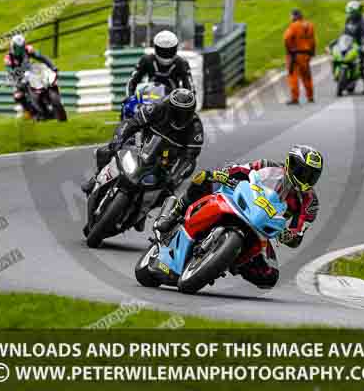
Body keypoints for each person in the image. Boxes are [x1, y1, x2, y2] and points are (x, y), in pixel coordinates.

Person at [154, 144, 323, 289]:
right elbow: (239, 169)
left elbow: (298, 233)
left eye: (311, 175)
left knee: (269, 277)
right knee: (202, 178)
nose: (305, 178)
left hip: (261, 228)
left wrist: (289, 236)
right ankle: (174, 212)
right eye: (302, 171)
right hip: (239, 201)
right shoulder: (266, 166)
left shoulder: (309, 202)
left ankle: (228, 259)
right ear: (291, 163)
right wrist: (221, 174)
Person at [81, 88, 204, 231]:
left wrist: (175, 176)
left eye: (183, 113)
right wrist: (118, 140)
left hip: (166, 161)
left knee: (167, 191)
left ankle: (144, 213)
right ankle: (95, 178)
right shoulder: (157, 107)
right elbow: (131, 123)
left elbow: (190, 158)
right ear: (170, 107)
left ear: (190, 112)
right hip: (142, 145)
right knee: (106, 151)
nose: (179, 116)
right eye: (176, 111)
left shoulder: (195, 128)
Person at [125, 30, 194, 97]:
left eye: (169, 50)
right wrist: (130, 98)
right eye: (163, 50)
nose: (166, 53)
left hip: (172, 102)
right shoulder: (147, 60)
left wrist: (186, 100)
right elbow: (133, 81)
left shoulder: (181, 63)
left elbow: (189, 86)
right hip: (149, 99)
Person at [4, 34, 58, 118]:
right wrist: (16, 81)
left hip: (31, 71)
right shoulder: (8, 58)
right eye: (17, 48)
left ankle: (51, 99)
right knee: (18, 96)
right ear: (13, 46)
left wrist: (52, 66)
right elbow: (9, 71)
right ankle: (31, 113)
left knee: (44, 76)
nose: (19, 50)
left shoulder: (28, 49)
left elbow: (41, 57)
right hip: (18, 77)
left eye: (21, 47)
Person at [283, 9, 316, 105]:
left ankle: (295, 98)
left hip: (295, 54)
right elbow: (313, 40)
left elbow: (286, 38)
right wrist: (312, 52)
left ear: (294, 16)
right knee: (307, 76)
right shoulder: (310, 25)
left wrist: (289, 50)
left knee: (293, 76)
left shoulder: (293, 26)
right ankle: (310, 96)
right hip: (306, 54)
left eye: (291, 16)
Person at [344, 0, 364, 93]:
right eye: (349, 13)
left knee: (360, 65)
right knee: (346, 60)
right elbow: (345, 31)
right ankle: (349, 82)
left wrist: (363, 44)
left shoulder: (363, 20)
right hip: (350, 43)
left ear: (356, 12)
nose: (349, 14)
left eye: (351, 13)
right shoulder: (348, 19)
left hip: (361, 43)